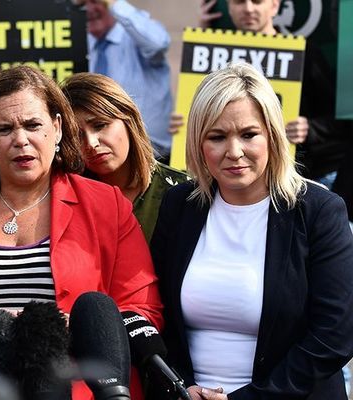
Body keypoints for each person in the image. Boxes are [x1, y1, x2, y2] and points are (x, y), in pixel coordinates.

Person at [0, 65, 163, 399]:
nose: (21, 140)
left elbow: (143, 310)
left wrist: (76, 329)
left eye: (33, 125)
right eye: (4, 129)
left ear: (58, 128)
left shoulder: (107, 206)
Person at [151, 62, 353, 399]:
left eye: (248, 134)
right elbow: (158, 312)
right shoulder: (180, 205)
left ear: (272, 136)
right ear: (198, 142)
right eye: (217, 136)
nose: (234, 152)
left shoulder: (319, 211)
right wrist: (183, 387)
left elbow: (334, 334)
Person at [194, 0, 349, 188]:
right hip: (235, 180)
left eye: (257, 1)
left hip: (301, 175)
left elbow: (341, 118)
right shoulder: (212, 55)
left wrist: (309, 128)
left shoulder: (305, 54)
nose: (249, 9)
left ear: (275, 6)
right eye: (240, 2)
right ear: (229, 8)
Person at [62, 72, 188, 243]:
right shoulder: (64, 198)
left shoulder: (184, 192)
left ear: (129, 120)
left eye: (100, 125)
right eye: (77, 135)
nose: (91, 143)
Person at [74, 0, 174, 163]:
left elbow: (159, 44)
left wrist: (115, 4)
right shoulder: (80, 44)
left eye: (95, 1)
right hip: (101, 158)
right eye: (81, 5)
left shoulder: (136, 32)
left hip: (157, 158)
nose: (89, 9)